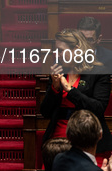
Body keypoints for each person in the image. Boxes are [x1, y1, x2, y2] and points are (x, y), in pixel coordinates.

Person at [40, 29, 112, 160]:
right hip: (59, 138)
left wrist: (70, 90)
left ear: (76, 50)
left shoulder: (98, 72)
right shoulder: (58, 70)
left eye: (61, 50)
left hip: (88, 136)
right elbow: (45, 112)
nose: (57, 55)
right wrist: (55, 88)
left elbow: (98, 108)